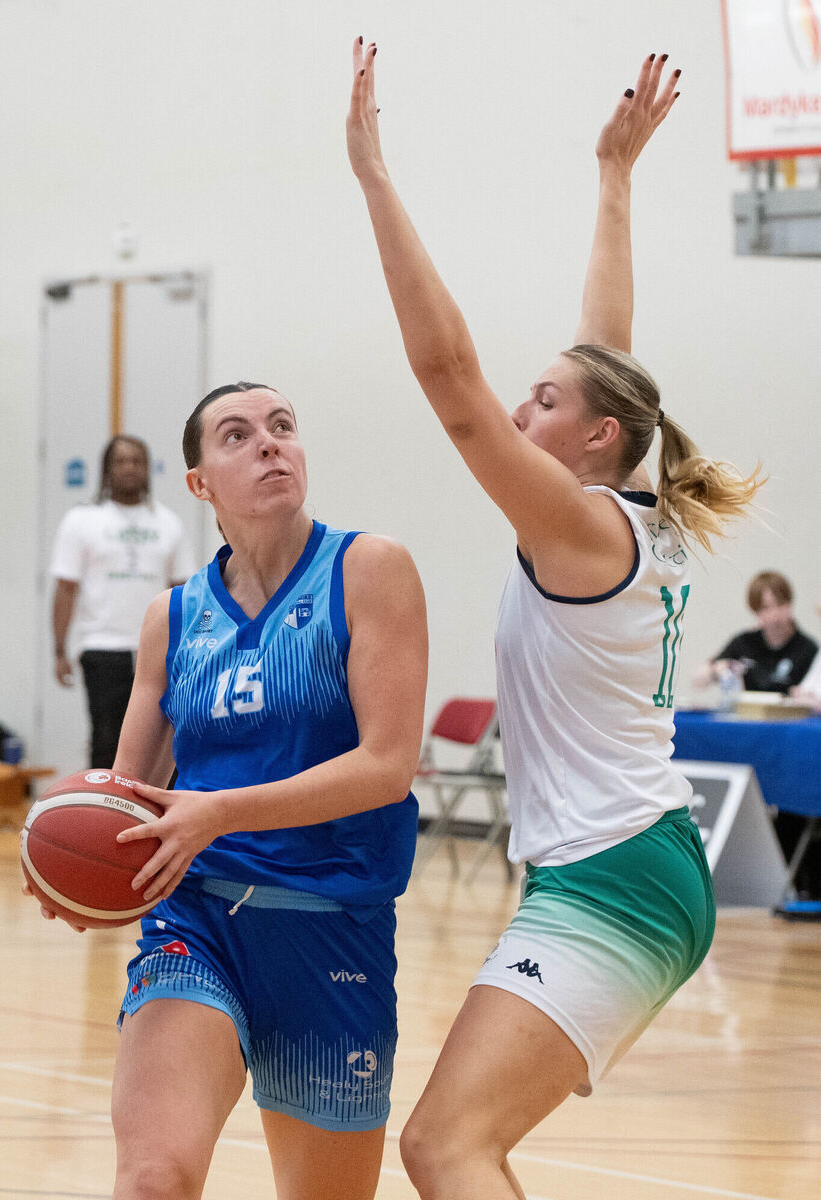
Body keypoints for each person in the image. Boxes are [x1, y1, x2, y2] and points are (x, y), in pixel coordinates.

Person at [348, 43, 762, 1198]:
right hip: (624, 860)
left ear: (592, 441)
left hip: (616, 870)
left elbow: (447, 379)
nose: (519, 408)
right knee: (450, 1144)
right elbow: (609, 353)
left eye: (543, 400)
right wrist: (612, 178)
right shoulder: (625, 507)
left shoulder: (584, 532)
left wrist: (374, 178)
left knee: (444, 1146)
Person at [30, 383, 428, 1200]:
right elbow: (127, 797)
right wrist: (73, 870)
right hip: (198, 921)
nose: (270, 444)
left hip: (332, 928)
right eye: (238, 435)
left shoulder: (369, 569)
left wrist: (219, 811)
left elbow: (386, 765)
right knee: (152, 1178)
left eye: (283, 428)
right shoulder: (170, 620)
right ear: (200, 484)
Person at [50, 434, 196, 767]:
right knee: (106, 740)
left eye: (137, 461)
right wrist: (59, 650)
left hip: (159, 651)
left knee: (163, 744)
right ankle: (103, 817)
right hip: (102, 649)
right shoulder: (82, 521)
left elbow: (183, 592)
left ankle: (155, 817)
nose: (129, 467)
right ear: (106, 470)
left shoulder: (169, 523)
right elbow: (65, 589)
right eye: (121, 461)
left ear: (147, 469)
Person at [694, 570, 818, 695]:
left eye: (780, 604)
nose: (775, 615)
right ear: (755, 611)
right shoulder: (744, 642)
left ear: (789, 603)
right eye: (766, 608)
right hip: (748, 712)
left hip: (791, 713)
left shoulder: (808, 649)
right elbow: (699, 680)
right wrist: (715, 670)